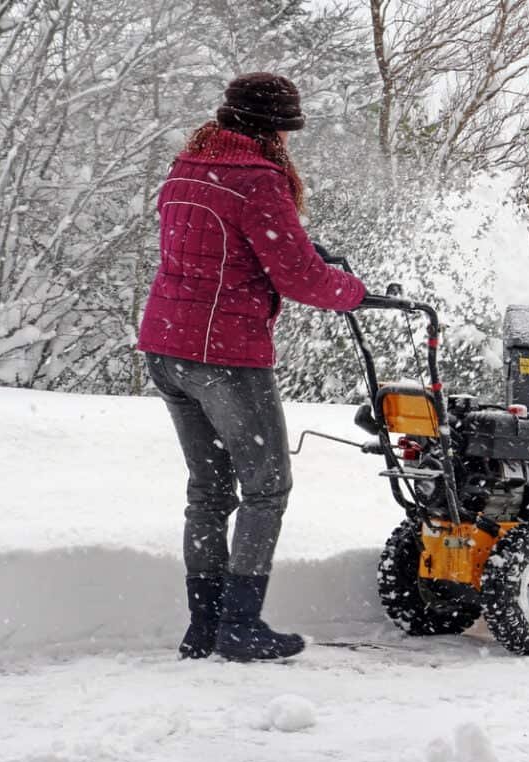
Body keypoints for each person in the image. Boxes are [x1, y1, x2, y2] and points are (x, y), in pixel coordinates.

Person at [138, 73, 366, 661]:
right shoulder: (259, 182)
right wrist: (352, 291)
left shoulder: (188, 166)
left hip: (167, 347)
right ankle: (240, 625)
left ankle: (204, 626)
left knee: (208, 491)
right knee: (266, 487)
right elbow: (300, 280)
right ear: (272, 133)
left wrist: (304, 251)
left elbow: (220, 248)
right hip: (224, 356)